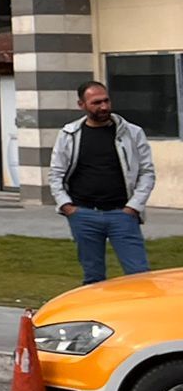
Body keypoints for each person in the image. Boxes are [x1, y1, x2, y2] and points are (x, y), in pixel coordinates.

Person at [48, 80, 156, 284]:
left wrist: (133, 207)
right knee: (93, 277)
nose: (104, 107)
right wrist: (67, 206)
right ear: (82, 105)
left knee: (139, 274)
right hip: (83, 214)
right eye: (96, 102)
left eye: (106, 101)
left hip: (122, 214)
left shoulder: (131, 133)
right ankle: (95, 315)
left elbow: (147, 173)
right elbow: (55, 173)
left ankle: (139, 314)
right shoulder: (69, 134)